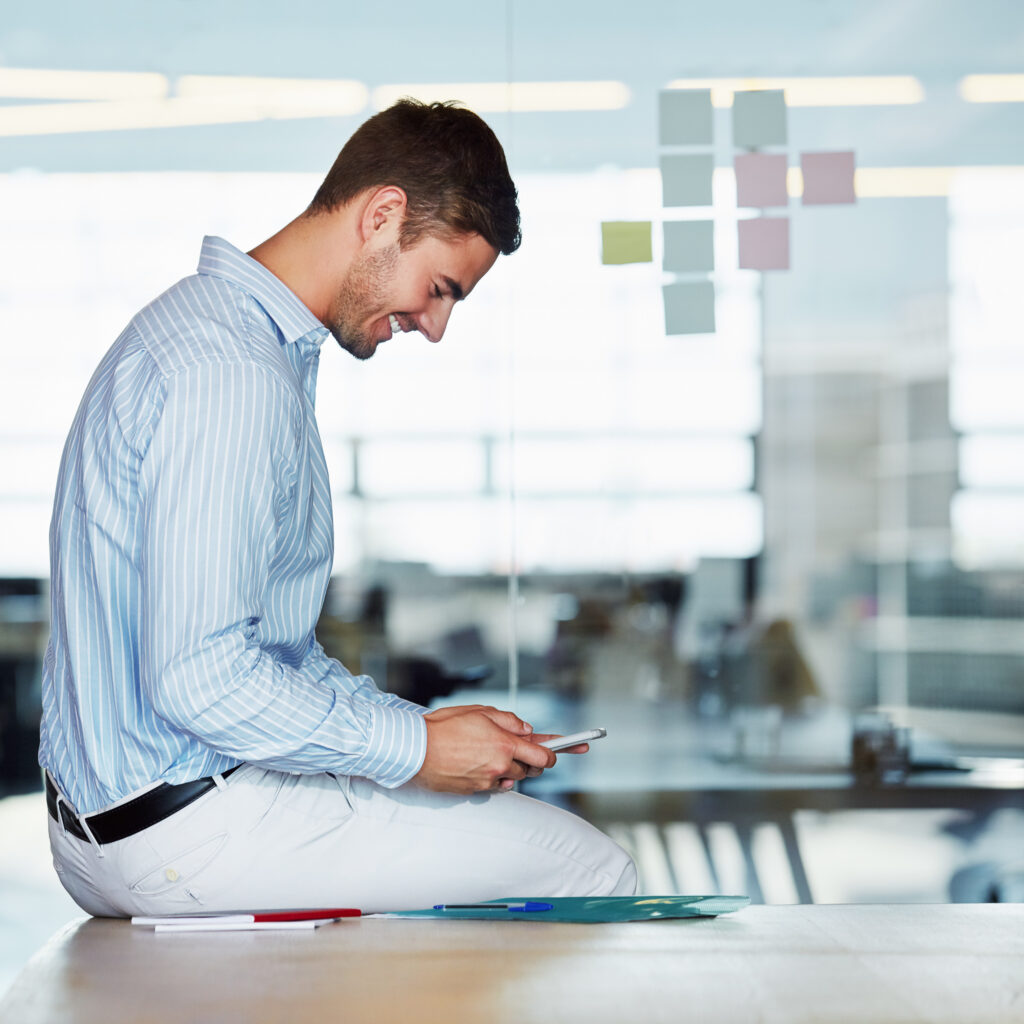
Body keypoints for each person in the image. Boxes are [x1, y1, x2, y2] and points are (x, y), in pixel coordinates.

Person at [39, 99, 637, 917]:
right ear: (383, 215)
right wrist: (415, 749)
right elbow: (201, 679)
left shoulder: (208, 335)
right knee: (590, 870)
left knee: (472, 862)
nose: (436, 328)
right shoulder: (233, 375)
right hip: (183, 831)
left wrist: (420, 734)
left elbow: (268, 657)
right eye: (440, 288)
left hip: (128, 823)